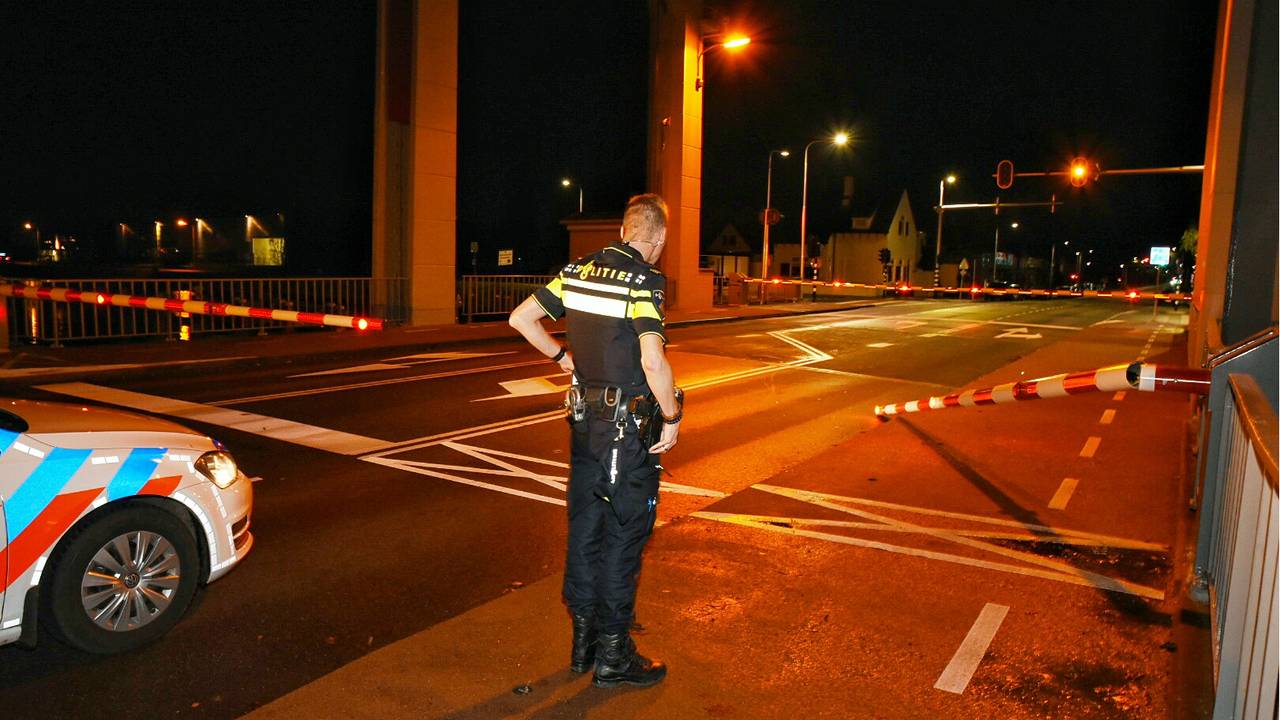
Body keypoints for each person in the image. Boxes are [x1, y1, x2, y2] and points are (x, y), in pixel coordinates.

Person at [508, 193, 681, 689]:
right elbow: (652, 361)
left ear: (625, 230)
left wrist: (563, 359)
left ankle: (583, 641)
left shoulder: (578, 269)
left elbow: (522, 319)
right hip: (626, 431)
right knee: (624, 533)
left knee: (586, 526)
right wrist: (670, 414)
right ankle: (613, 654)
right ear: (659, 238)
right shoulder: (644, 282)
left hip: (585, 424)